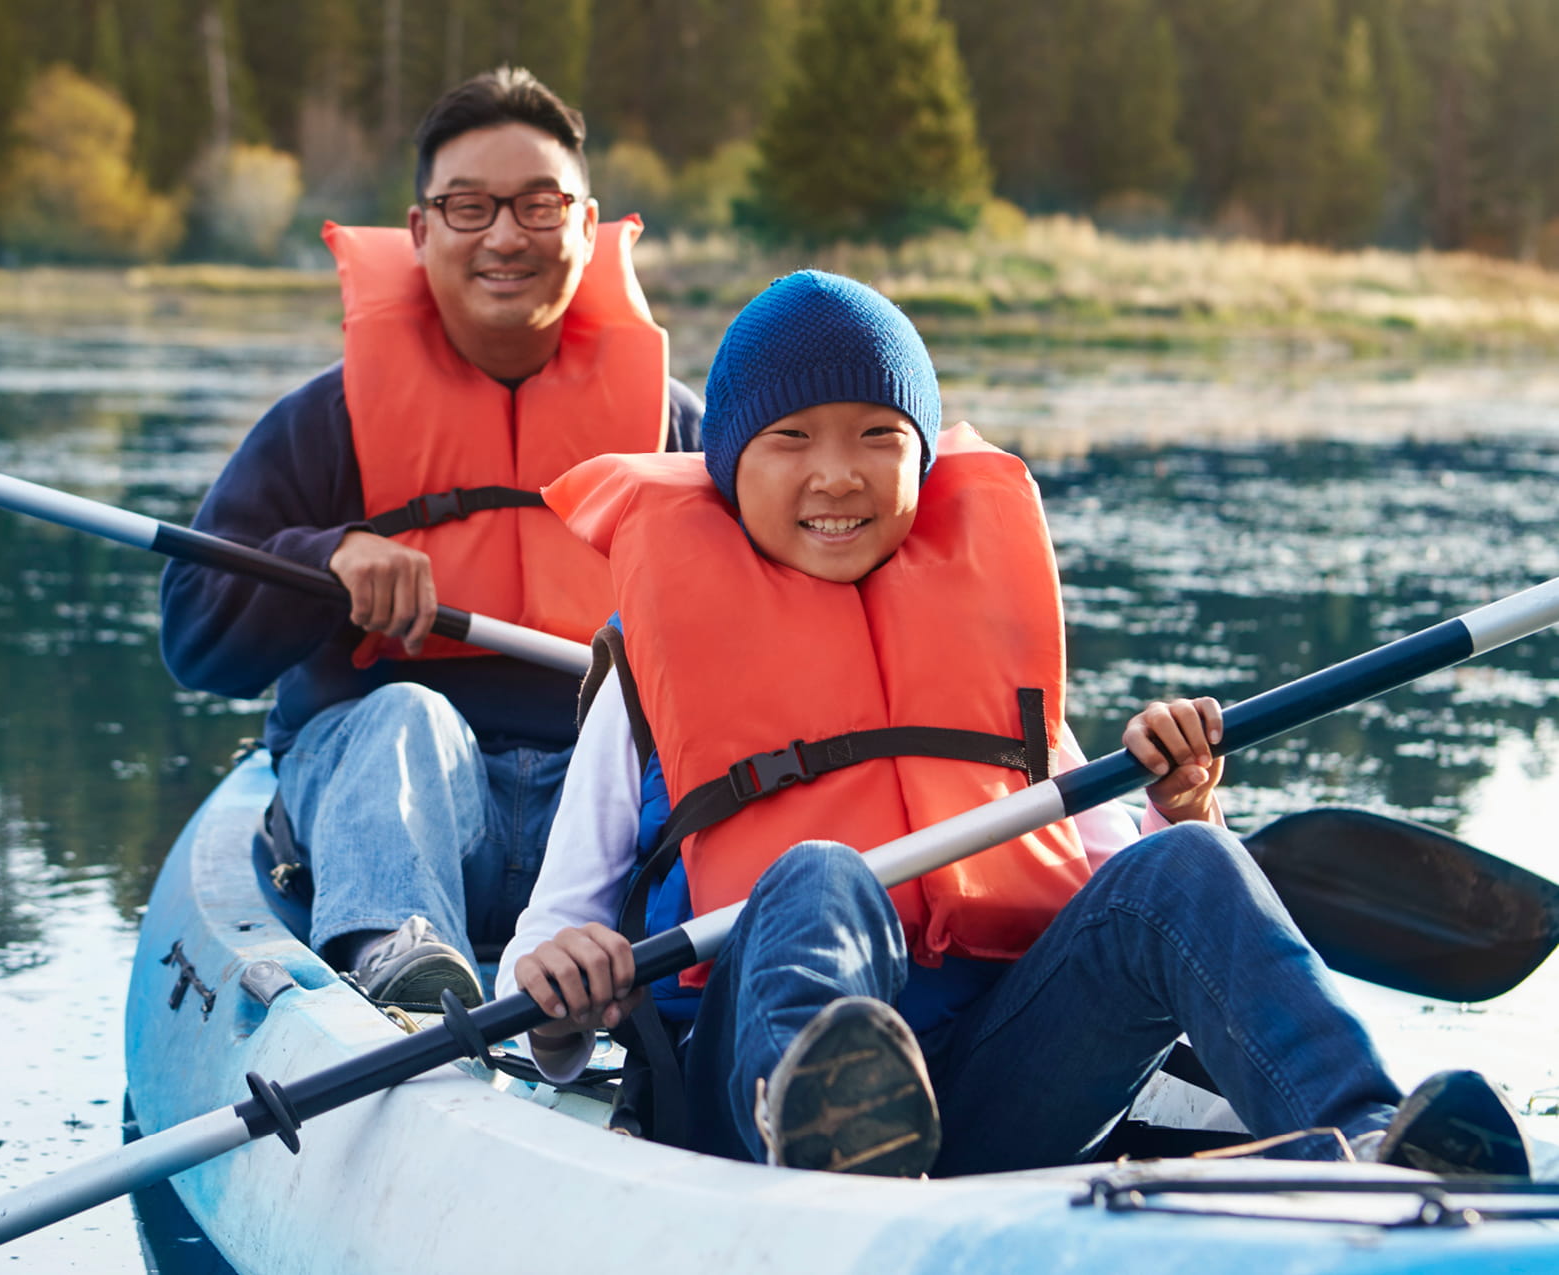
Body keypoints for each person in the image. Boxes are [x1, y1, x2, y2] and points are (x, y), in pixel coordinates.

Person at [497, 270, 1529, 1179]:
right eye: (790, 439)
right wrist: (561, 993)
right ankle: (825, 1127)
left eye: (878, 435)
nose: (838, 473)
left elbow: (1130, 904)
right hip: (748, 1105)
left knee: (1185, 872)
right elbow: (547, 942)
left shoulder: (984, 653)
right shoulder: (655, 670)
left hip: (993, 1092)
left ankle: (1370, 1136)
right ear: (727, 464)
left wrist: (1188, 810)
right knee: (821, 869)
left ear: (923, 457)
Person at [161, 67, 703, 1010]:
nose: (503, 235)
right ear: (419, 231)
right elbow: (193, 638)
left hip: (597, 818)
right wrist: (321, 561)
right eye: (467, 207)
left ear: (586, 223)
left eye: (539, 205)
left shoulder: (681, 438)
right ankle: (402, 968)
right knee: (407, 714)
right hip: (402, 804)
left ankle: (681, 1005)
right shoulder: (322, 425)